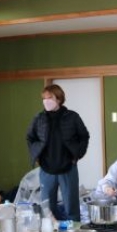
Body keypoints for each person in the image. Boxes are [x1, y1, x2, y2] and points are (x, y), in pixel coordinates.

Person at [26, 84, 90, 221]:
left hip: (68, 168)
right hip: (46, 169)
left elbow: (84, 136)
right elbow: (30, 138)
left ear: (59, 99)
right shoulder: (39, 118)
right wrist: (37, 156)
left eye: (49, 98)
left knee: (71, 207)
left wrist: (77, 155)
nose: (46, 101)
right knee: (47, 209)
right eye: (44, 98)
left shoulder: (72, 117)